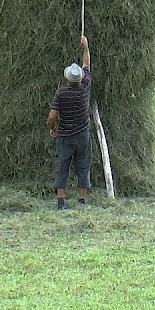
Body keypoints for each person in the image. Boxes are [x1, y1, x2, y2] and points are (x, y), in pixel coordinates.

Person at [47, 34, 92, 209]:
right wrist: (85, 47)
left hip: (66, 136)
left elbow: (52, 116)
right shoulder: (85, 87)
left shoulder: (61, 93)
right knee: (83, 165)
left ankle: (61, 201)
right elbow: (86, 64)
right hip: (83, 136)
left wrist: (52, 128)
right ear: (80, 78)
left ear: (67, 78)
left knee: (62, 166)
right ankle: (82, 199)